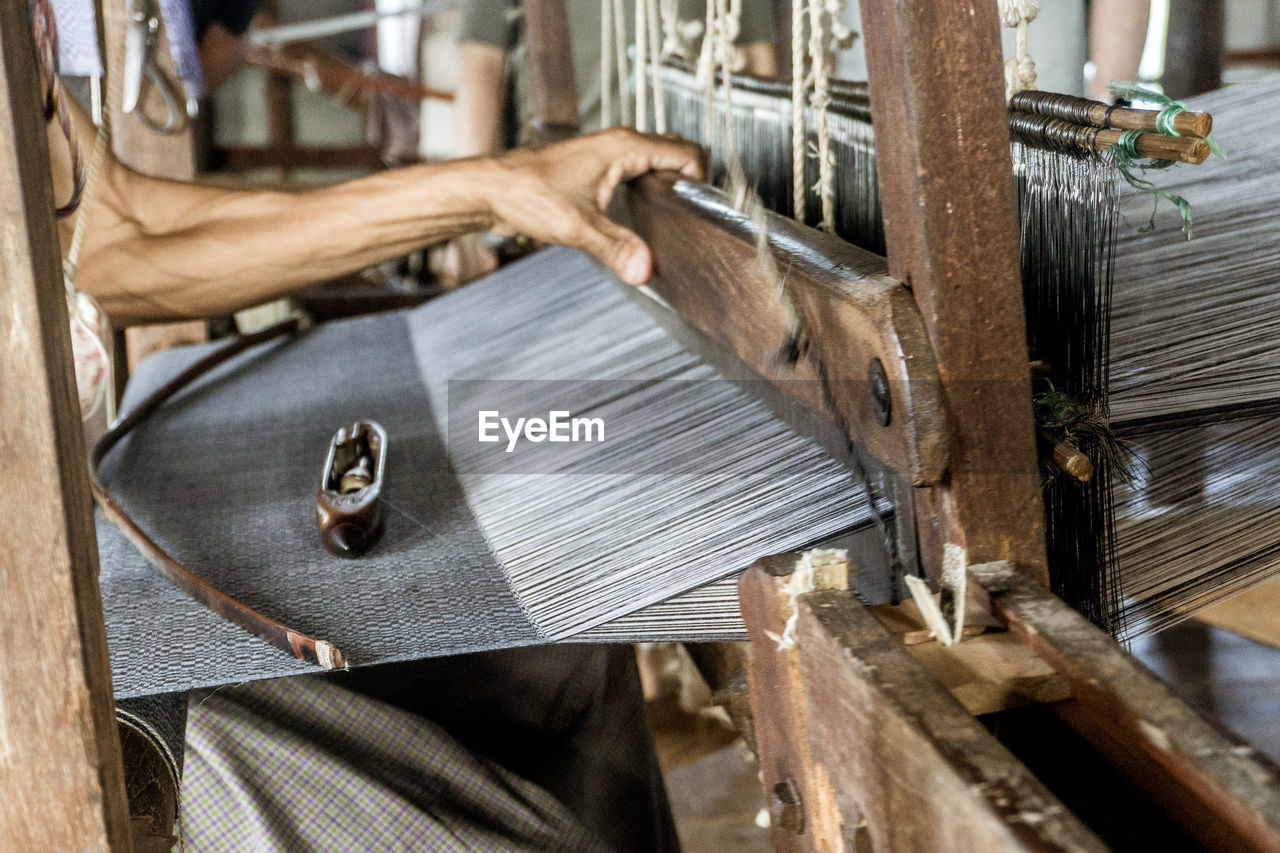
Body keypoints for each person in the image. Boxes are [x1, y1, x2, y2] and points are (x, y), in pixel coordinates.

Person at [32, 2, 703, 847]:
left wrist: (489, 187)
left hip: (56, 603)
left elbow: (107, 239)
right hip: (35, 683)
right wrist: (485, 188)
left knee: (568, 663)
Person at [445, 0, 777, 283]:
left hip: (696, 191)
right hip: (563, 199)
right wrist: (469, 223)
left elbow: (758, 60)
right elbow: (482, 64)